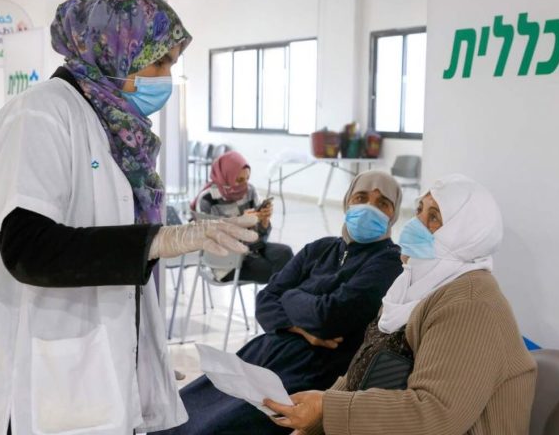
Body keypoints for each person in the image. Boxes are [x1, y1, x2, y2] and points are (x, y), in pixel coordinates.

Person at [0, 0, 259, 435]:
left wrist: (143, 358)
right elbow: (28, 248)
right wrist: (158, 240)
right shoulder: (40, 115)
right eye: (158, 62)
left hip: (98, 365)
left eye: (172, 64)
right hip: (39, 369)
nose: (166, 77)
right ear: (115, 50)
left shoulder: (116, 129)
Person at [265, 174, 538, 435]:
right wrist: (317, 422)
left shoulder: (470, 303)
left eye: (434, 217)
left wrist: (328, 410)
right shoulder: (410, 287)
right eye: (419, 210)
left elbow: (434, 416)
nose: (416, 224)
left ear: (465, 234)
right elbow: (363, 369)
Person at [154, 170, 404, 435]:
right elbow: (264, 302)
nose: (369, 208)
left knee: (215, 426)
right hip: (266, 352)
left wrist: (289, 295)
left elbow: (328, 318)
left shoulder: (387, 263)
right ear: (347, 202)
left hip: (312, 370)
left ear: (394, 214)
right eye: (361, 197)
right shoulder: (320, 248)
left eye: (382, 203)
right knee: (178, 412)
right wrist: (298, 327)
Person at [192, 150, 294, 283]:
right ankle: (280, 295)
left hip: (252, 249)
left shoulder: (250, 191)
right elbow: (210, 238)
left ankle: (280, 294)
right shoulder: (207, 199)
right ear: (226, 177)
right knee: (280, 270)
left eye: (247, 178)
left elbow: (260, 238)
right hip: (226, 261)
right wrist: (241, 222)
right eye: (239, 180)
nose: (245, 184)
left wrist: (264, 222)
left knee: (286, 253)